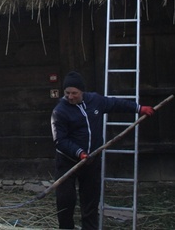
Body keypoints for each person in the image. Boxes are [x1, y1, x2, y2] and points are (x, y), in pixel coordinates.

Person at [50, 71, 155, 230]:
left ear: (82, 91)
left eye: (74, 93)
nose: (70, 96)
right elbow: (60, 141)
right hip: (68, 163)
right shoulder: (60, 112)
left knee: (90, 202)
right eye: (67, 93)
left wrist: (139, 108)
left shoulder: (95, 101)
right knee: (66, 201)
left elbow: (115, 103)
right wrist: (79, 152)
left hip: (91, 161)